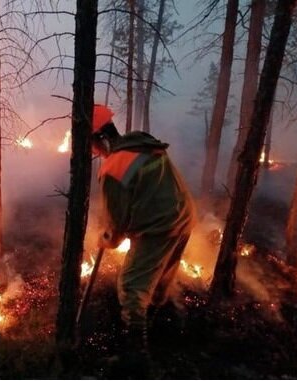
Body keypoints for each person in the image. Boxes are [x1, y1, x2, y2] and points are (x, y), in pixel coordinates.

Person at [92, 104, 196, 353]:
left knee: (131, 287)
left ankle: (136, 356)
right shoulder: (141, 144)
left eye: (92, 144)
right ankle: (154, 326)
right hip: (184, 217)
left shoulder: (113, 168)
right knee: (159, 279)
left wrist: (106, 239)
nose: (94, 151)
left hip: (158, 226)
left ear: (101, 138)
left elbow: (115, 226)